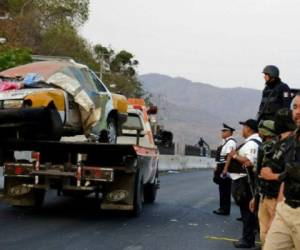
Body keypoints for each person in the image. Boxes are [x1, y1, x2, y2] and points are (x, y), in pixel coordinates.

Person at [261, 93, 300, 250]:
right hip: (286, 209)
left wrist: (275, 175)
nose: (297, 112)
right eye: (295, 107)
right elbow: (287, 180)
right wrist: (278, 210)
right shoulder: (291, 140)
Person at [253, 110, 296, 246]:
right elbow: (261, 172)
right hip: (266, 197)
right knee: (265, 235)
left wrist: (273, 176)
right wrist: (257, 196)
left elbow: (291, 176)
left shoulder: (293, 144)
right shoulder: (274, 144)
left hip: (282, 200)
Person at [223, 119, 262, 248]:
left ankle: (248, 240)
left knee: (247, 212)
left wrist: (234, 155)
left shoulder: (252, 144)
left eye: (244, 127)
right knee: (246, 212)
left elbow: (249, 162)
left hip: (245, 182)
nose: (242, 129)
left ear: (249, 128)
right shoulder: (250, 142)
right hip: (242, 181)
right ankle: (247, 238)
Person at [213, 123, 237, 216]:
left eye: (225, 131)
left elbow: (229, 157)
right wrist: (216, 167)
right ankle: (222, 207)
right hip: (221, 166)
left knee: (225, 189)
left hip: (224, 166)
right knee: (222, 188)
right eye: (222, 131)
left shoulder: (231, 142)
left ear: (230, 132)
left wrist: (225, 169)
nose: (222, 133)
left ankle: (225, 209)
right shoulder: (224, 142)